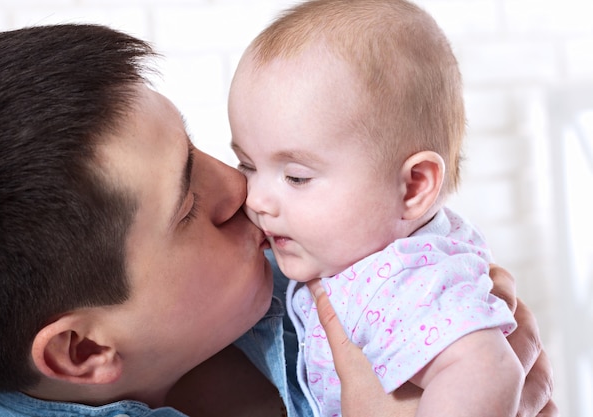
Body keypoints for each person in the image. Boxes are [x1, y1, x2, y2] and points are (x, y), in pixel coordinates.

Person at [0, 23, 556, 417]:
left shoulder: (320, 270)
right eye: (190, 207)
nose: (239, 187)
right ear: (82, 351)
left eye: (198, 150)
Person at [227, 0, 546, 416]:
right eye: (247, 166)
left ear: (412, 187)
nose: (256, 199)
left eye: (297, 177)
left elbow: (489, 367)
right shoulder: (361, 252)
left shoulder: (405, 279)